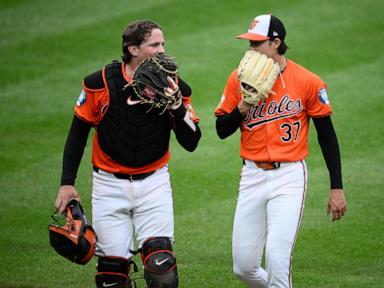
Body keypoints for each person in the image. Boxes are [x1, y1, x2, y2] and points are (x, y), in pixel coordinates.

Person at [54, 20, 201, 288]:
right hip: (108, 186)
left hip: (154, 184)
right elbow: (77, 134)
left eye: (163, 44)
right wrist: (67, 183)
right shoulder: (100, 83)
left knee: (162, 270)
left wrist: (178, 107)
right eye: (154, 44)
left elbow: (191, 142)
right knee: (111, 276)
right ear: (133, 48)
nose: (162, 50)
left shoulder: (174, 86)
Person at [214, 14, 347, 287]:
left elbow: (327, 137)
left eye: (256, 43)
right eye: (249, 43)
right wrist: (243, 107)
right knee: (244, 268)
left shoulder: (308, 81)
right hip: (251, 175)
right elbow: (221, 129)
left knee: (277, 262)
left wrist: (337, 187)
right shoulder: (238, 79)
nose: (250, 49)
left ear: (276, 42)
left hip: (289, 178)